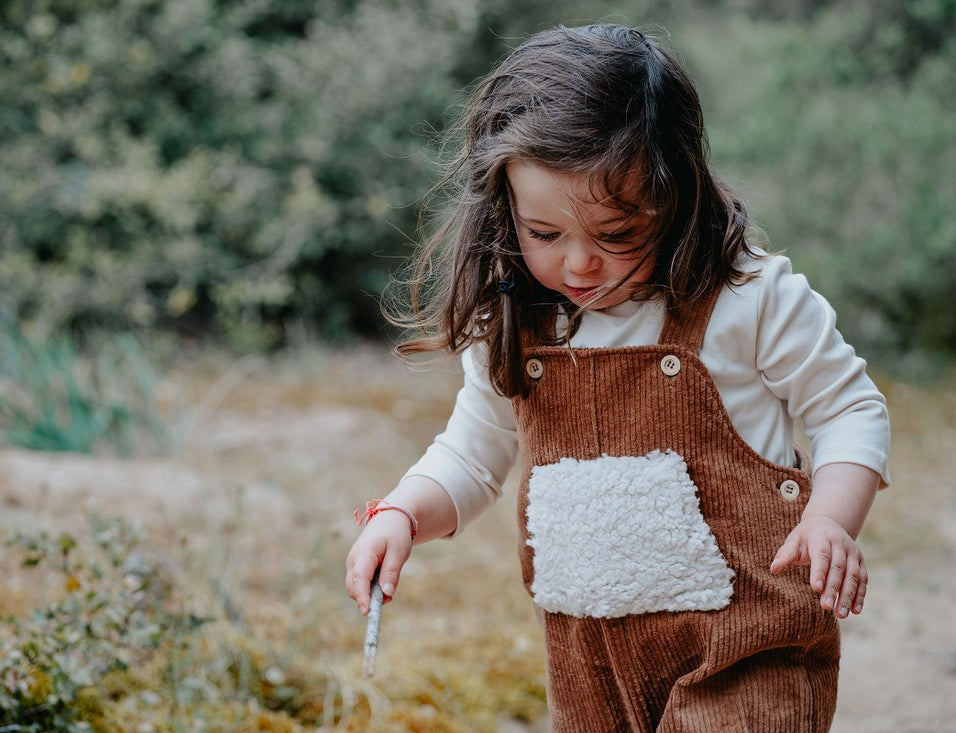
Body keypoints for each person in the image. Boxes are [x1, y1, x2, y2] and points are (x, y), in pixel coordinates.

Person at [344, 22, 889, 732]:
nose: (578, 266)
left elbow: (849, 407)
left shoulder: (748, 299)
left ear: (677, 197)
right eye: (545, 234)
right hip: (588, 666)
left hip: (749, 648)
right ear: (503, 209)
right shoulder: (516, 325)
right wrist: (403, 512)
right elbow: (471, 456)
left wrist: (829, 517)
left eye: (618, 235)